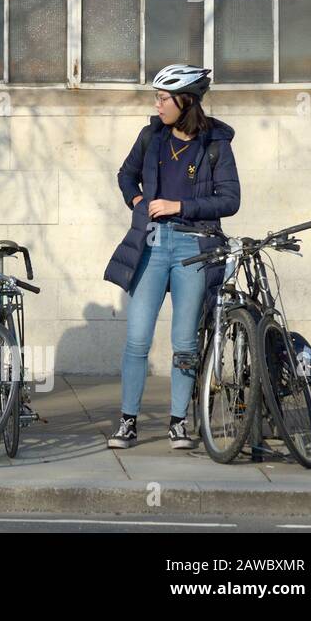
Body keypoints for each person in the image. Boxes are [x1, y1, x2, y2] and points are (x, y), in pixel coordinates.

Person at [103, 64, 240, 450]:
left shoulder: (215, 144)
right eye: (157, 98)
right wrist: (139, 201)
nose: (157, 104)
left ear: (186, 101)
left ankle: (178, 422)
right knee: (137, 338)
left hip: (193, 248)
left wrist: (180, 204)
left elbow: (230, 200)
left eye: (163, 98)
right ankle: (127, 421)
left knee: (184, 341)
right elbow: (126, 175)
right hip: (150, 243)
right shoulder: (152, 137)